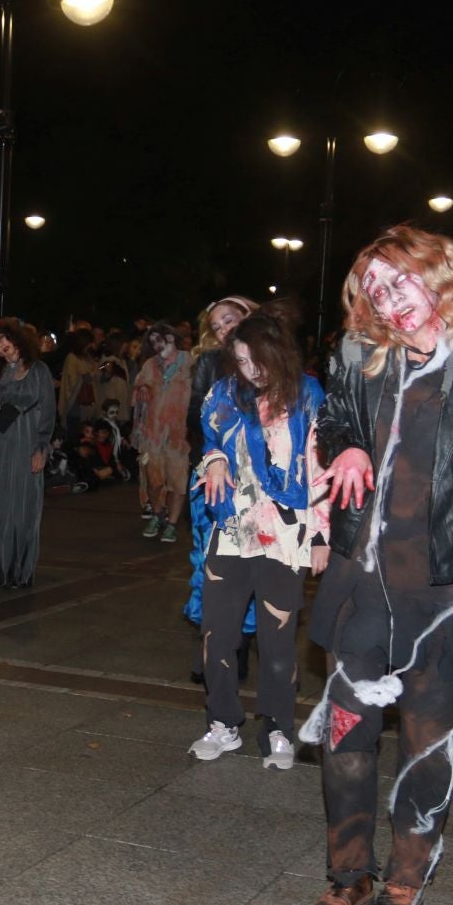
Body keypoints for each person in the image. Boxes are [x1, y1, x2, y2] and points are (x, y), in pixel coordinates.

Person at [304, 225, 453, 905]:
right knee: (345, 737)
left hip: (442, 593)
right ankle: (347, 873)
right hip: (361, 583)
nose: (387, 303)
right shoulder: (359, 356)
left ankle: (406, 871)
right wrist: (351, 443)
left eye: (399, 283)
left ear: (440, 275)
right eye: (374, 291)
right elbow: (332, 421)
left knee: (428, 744)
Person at [189, 307, 326, 770]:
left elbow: (321, 466)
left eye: (257, 360)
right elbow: (208, 442)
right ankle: (223, 723)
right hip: (231, 528)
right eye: (242, 361)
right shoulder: (224, 394)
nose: (250, 371)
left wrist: (323, 536)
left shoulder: (308, 395)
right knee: (218, 632)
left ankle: (278, 729)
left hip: (287, 532)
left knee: (278, 640)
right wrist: (214, 461)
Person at [183, 297, 259, 679]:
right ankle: (213, 646)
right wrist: (213, 462)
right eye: (216, 325)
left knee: (255, 563)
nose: (224, 328)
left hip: (262, 484)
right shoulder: (209, 364)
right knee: (210, 564)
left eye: (230, 320)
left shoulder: (276, 362)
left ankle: (242, 643)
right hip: (215, 480)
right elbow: (196, 420)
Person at [0, 318, 55, 588]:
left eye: (2, 340)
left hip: (26, 444)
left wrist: (41, 448)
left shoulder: (39, 370)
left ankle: (16, 569)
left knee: (22, 508)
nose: (0, 347)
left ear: (14, 337)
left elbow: (49, 414)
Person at [132, 322, 193, 542]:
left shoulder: (190, 361)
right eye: (153, 341)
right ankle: (158, 513)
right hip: (153, 433)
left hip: (180, 434)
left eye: (161, 338)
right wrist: (142, 388)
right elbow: (137, 388)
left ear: (172, 337)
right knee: (154, 480)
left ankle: (173, 523)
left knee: (178, 481)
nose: (158, 345)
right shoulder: (149, 365)